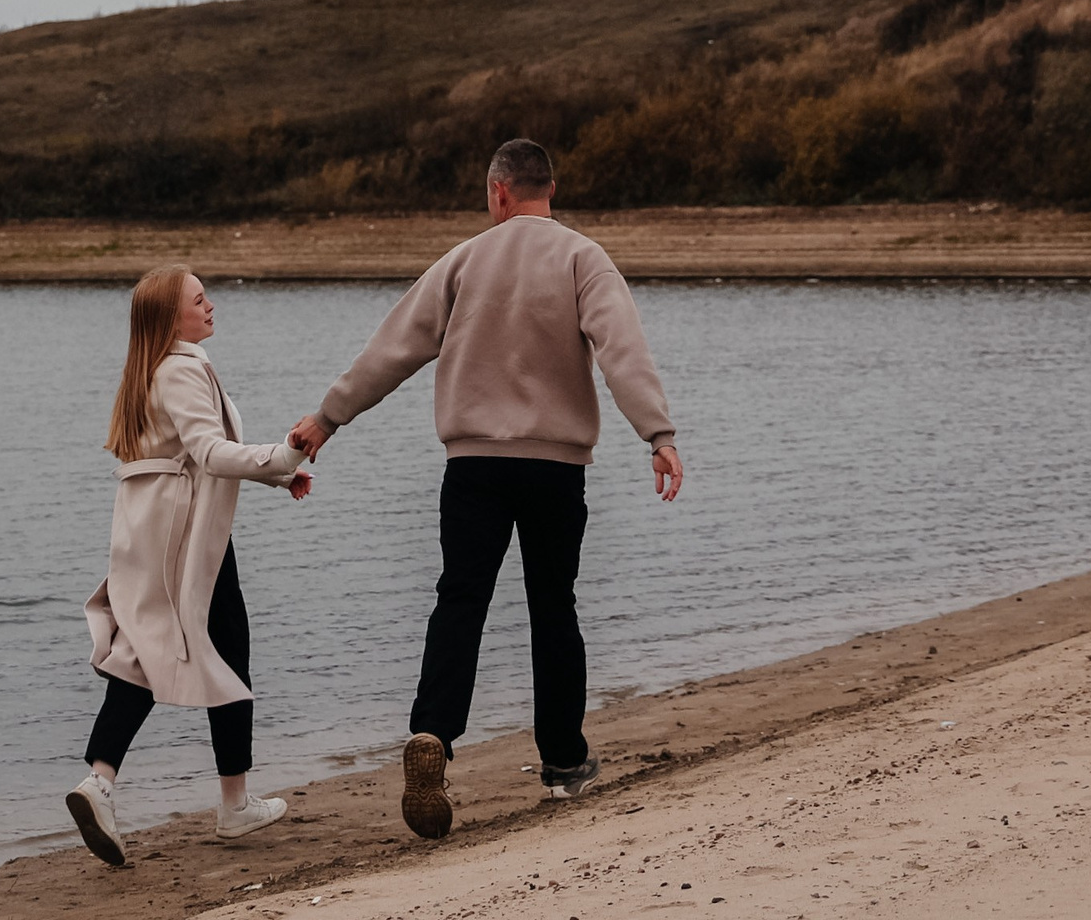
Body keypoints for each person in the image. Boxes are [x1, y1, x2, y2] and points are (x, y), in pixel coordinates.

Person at [287, 138, 682, 840]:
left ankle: (434, 733)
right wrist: (657, 435)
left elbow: (393, 349)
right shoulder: (582, 258)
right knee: (553, 609)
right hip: (555, 467)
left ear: (499, 192)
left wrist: (327, 417)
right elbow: (622, 350)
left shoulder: (464, 260)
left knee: (460, 599)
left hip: (472, 466)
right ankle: (563, 764)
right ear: (547, 189)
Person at [69, 265, 313, 867]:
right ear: (168, 318)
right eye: (199, 300)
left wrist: (278, 475)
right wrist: (283, 453)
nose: (211, 307)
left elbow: (189, 458)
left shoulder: (152, 369)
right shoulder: (180, 368)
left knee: (160, 647)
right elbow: (208, 452)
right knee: (181, 649)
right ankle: (220, 803)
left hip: (155, 528)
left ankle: (108, 783)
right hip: (182, 535)